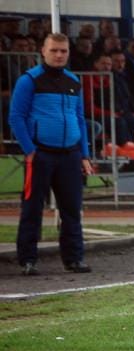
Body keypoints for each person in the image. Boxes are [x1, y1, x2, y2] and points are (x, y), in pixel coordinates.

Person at [9, 33, 94, 276]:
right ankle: (27, 260)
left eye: (63, 51)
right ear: (43, 51)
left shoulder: (73, 81)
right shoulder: (29, 80)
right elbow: (16, 117)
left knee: (72, 209)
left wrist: (84, 154)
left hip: (70, 155)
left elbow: (80, 119)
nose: (59, 55)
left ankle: (74, 259)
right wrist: (30, 150)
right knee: (32, 208)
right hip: (40, 154)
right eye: (54, 50)